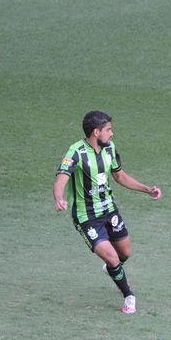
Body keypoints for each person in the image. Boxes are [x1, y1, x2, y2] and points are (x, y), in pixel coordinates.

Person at [53, 110, 163, 315]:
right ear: (96, 132)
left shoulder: (110, 148)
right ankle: (129, 296)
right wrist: (59, 198)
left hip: (109, 210)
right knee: (112, 258)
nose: (112, 134)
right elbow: (61, 179)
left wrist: (147, 189)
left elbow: (120, 176)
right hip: (87, 218)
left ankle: (113, 269)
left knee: (125, 254)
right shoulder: (75, 152)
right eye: (108, 130)